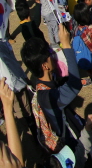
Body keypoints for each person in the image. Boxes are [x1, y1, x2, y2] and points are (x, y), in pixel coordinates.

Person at [20, 24, 84, 155]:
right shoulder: (47, 96)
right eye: (49, 53)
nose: (53, 54)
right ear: (45, 66)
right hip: (72, 148)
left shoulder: (47, 84)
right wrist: (66, 45)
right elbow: (74, 85)